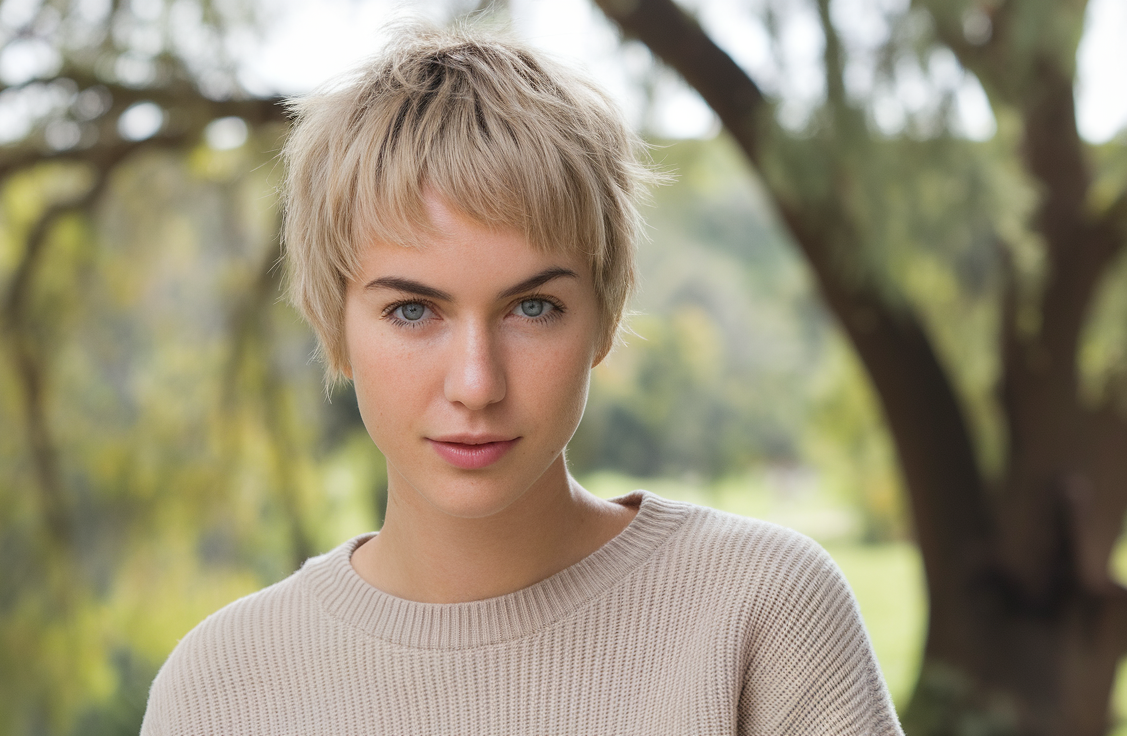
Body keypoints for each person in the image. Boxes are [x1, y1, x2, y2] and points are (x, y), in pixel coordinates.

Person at [140, 24, 903, 736]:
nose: (476, 383)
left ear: (603, 318)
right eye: (413, 311)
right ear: (334, 328)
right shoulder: (217, 691)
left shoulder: (764, 613)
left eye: (532, 307)